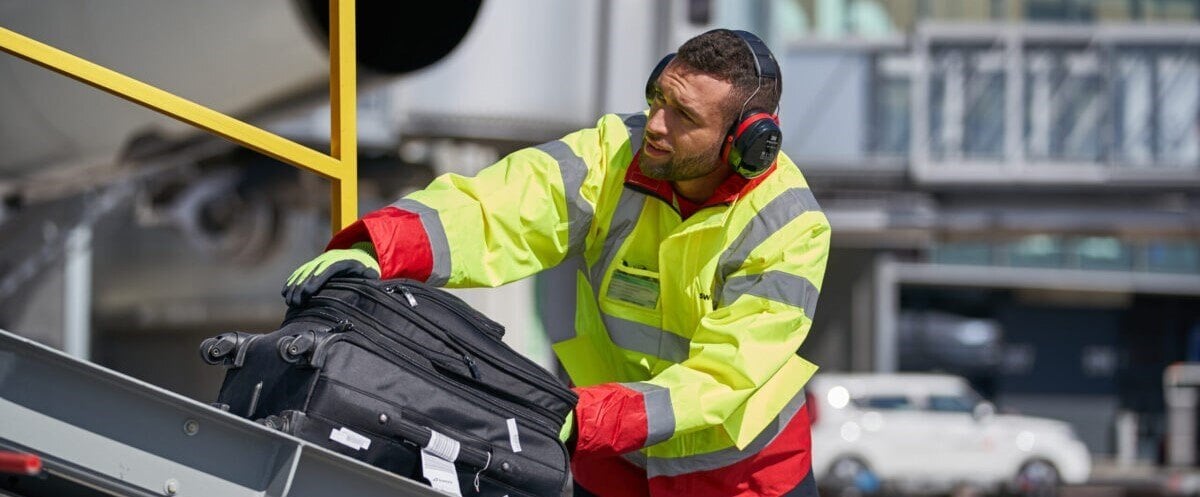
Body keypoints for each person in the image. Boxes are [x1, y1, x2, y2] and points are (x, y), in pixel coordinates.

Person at [284, 28, 830, 497]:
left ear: (747, 141)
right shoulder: (617, 151)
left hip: (742, 477)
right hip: (611, 461)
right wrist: (380, 246)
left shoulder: (789, 228)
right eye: (657, 97)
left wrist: (591, 417)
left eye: (684, 115)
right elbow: (502, 208)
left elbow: (726, 375)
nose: (657, 125)